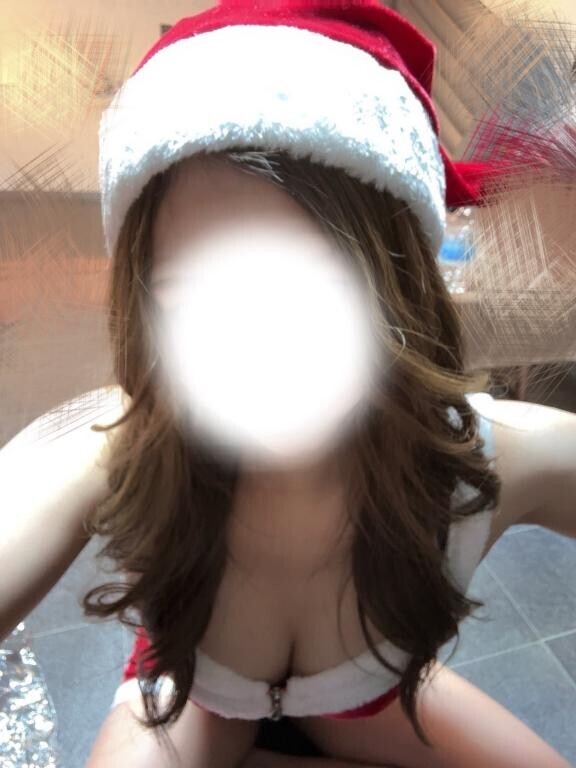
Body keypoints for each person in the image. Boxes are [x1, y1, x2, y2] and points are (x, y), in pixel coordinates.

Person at [1, 1, 575, 767]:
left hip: (372, 702)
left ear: (397, 289)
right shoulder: (122, 443)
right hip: (193, 696)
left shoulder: (490, 460)